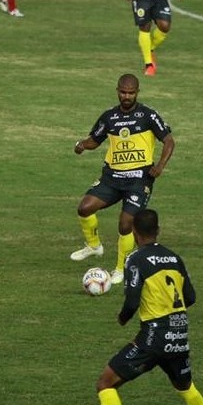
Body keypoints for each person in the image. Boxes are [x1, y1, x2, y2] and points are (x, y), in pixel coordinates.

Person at [87, 209, 203, 405]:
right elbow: (191, 297)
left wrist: (123, 318)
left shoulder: (135, 259)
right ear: (158, 231)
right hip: (180, 334)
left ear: (136, 233)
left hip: (153, 337)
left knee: (105, 383)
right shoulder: (175, 258)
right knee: (186, 387)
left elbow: (131, 299)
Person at [71, 74, 176, 284]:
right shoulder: (109, 117)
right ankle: (94, 246)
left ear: (137, 92)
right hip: (112, 177)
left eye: (131, 93)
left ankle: (120, 268)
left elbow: (169, 141)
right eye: (123, 92)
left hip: (139, 179)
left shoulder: (148, 115)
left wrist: (160, 166)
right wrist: (82, 145)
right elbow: (95, 139)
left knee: (125, 223)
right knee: (84, 207)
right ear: (117, 91)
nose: (126, 96)